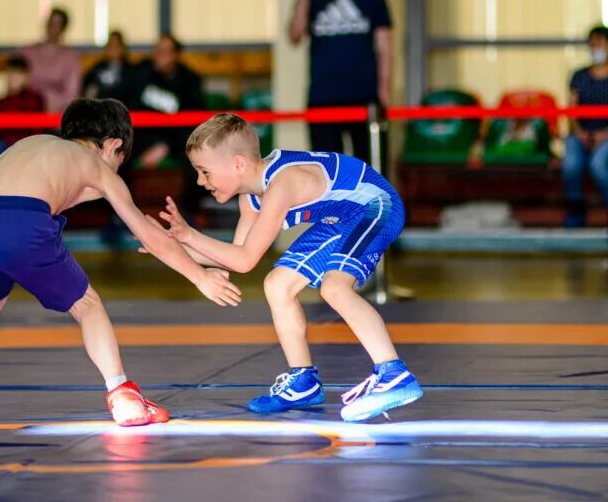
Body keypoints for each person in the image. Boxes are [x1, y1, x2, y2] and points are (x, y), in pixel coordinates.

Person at [0, 98, 241, 430]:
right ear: (113, 145)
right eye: (119, 160)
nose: (115, 170)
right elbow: (147, 233)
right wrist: (199, 276)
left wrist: (58, 193)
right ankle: (122, 393)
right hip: (22, 222)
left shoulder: (32, 143)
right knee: (87, 304)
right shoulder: (95, 164)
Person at [157, 113, 422, 423]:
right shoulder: (251, 199)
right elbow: (235, 257)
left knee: (335, 287)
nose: (201, 182)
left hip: (377, 206)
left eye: (204, 172)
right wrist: (166, 245)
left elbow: (242, 260)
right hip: (340, 218)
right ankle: (303, 382)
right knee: (278, 284)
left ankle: (394, 373)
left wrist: (189, 235)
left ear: (239, 164)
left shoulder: (283, 183)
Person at [288, 0, 393, 162]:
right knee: (326, 171)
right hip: (324, 97)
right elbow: (294, 35)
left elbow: (385, 47)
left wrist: (384, 90)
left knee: (371, 167)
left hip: (364, 95)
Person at [562, 26, 608, 245]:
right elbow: (572, 111)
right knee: (571, 162)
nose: (595, 49)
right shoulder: (579, 76)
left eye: (599, 43)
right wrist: (581, 133)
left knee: (599, 163)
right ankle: (575, 211)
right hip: (582, 134)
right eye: (592, 44)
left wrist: (605, 135)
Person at [127, 33, 205, 215]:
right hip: (143, 136)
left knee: (197, 156)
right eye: (157, 50)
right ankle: (121, 216)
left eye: (164, 52)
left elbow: (195, 123)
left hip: (176, 140)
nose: (158, 55)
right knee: (116, 150)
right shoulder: (142, 74)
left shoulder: (190, 80)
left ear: (176, 55)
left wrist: (165, 147)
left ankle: (188, 215)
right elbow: (129, 110)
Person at [0, 55, 45, 163]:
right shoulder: (1, 103)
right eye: (10, 74)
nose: (13, 78)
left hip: (28, 144)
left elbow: (36, 129)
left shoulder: (34, 99)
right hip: (3, 145)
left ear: (27, 77)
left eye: (18, 74)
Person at [20, 6, 82, 113]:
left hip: (56, 114)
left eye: (57, 24)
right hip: (27, 109)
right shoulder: (27, 53)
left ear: (63, 29)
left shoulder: (70, 58)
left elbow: (72, 94)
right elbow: (16, 84)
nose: (53, 28)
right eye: (51, 23)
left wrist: (52, 103)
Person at [82, 30, 132, 101]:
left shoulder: (130, 71)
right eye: (110, 45)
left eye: (116, 46)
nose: (113, 50)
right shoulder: (97, 68)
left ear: (122, 48)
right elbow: (88, 86)